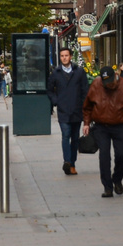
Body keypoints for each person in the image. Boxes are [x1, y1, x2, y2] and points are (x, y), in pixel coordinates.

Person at [82, 64, 123, 198]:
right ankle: (107, 187)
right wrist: (86, 123)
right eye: (105, 83)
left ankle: (117, 179)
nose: (108, 85)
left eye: (110, 82)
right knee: (104, 156)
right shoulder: (96, 85)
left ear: (115, 76)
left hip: (120, 126)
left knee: (121, 154)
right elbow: (87, 107)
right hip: (101, 126)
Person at [48, 47, 89, 176]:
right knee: (66, 135)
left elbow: (85, 90)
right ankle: (67, 161)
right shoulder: (56, 73)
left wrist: (83, 104)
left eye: (66, 55)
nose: (64, 58)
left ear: (71, 56)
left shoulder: (79, 72)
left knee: (75, 138)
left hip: (76, 110)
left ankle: (72, 164)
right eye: (62, 56)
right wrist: (56, 101)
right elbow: (49, 89)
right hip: (63, 110)